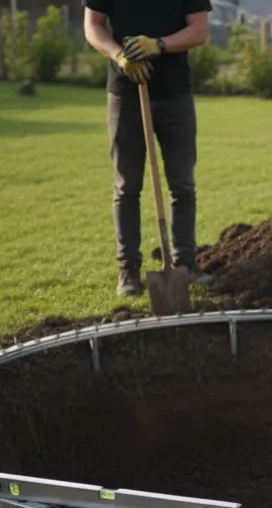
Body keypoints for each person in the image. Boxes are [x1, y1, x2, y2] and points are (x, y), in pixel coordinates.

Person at [83, 0, 213, 297]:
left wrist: (159, 44)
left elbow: (199, 30)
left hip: (175, 95)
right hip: (126, 96)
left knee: (182, 185)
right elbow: (92, 26)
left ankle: (185, 264)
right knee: (127, 186)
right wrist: (119, 56)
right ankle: (128, 269)